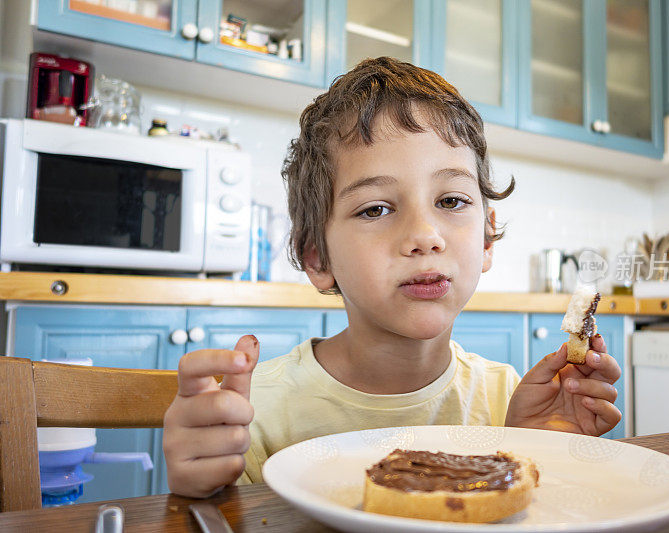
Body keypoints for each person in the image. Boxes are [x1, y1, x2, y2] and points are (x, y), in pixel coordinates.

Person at [163, 57, 621, 498]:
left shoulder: (511, 400)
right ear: (318, 258)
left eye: (451, 201)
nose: (425, 236)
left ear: (486, 240)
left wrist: (540, 456)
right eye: (376, 208)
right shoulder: (251, 413)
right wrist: (205, 490)